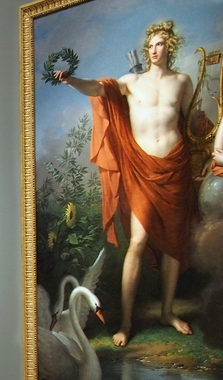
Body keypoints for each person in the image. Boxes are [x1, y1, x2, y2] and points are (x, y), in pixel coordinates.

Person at [56, 20, 198, 345]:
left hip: (175, 166)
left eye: (160, 44)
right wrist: (72, 80)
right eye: (150, 44)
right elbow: (98, 88)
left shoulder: (182, 82)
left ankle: (167, 312)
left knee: (174, 243)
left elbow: (190, 123)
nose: (153, 49)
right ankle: (127, 322)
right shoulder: (132, 81)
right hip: (143, 169)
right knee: (138, 241)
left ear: (170, 47)